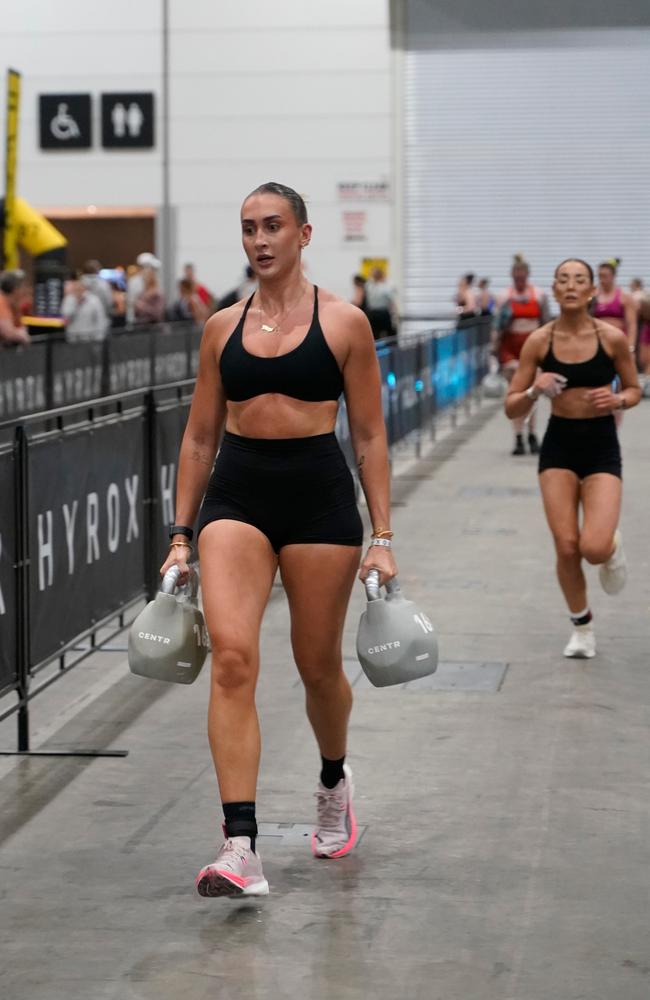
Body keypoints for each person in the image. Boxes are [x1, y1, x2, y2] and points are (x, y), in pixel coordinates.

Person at [159, 181, 396, 898]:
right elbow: (200, 437)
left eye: (272, 227)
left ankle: (333, 780)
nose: (259, 240)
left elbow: (370, 433)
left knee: (318, 665)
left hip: (320, 500)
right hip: (238, 496)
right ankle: (241, 846)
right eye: (247, 229)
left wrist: (383, 534)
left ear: (304, 234)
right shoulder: (221, 328)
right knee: (231, 659)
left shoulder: (347, 323)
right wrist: (180, 534)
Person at [505, 258, 640, 659]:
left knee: (593, 548)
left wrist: (618, 399)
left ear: (592, 290)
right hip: (559, 447)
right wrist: (535, 390)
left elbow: (635, 388)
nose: (571, 286)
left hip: (601, 447)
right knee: (566, 547)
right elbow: (511, 406)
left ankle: (610, 547)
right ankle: (582, 626)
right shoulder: (540, 342)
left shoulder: (611, 338)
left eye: (580, 280)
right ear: (553, 288)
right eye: (563, 279)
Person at [494, 254, 550, 455]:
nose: (519, 280)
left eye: (522, 276)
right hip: (511, 349)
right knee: (516, 392)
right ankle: (518, 436)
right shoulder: (504, 297)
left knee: (532, 392)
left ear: (527, 275)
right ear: (512, 276)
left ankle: (532, 433)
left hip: (532, 348)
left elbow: (546, 323)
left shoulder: (539, 295)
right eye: (516, 276)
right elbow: (496, 326)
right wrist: (494, 351)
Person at [593, 259, 638, 351]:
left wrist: (631, 347)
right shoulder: (593, 296)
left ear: (613, 276)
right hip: (598, 342)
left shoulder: (624, 297)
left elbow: (632, 325)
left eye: (605, 276)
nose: (602, 279)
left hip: (618, 343)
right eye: (600, 276)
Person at [61, 275, 110, 342]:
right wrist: (76, 303)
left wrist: (99, 338)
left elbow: (100, 318)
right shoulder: (69, 299)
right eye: (76, 287)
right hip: (73, 338)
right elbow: (66, 317)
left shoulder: (94, 300)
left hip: (90, 338)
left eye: (80, 287)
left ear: (84, 287)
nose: (78, 289)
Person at [364, 265, 396, 340]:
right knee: (379, 334)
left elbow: (391, 298)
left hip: (379, 312)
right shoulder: (372, 284)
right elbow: (392, 300)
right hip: (377, 313)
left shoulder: (386, 285)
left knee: (382, 334)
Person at [0, 271, 30, 345]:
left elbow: (22, 329)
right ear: (16, 290)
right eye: (23, 287)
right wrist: (20, 335)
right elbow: (8, 333)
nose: (25, 290)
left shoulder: (14, 306)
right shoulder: (1, 302)